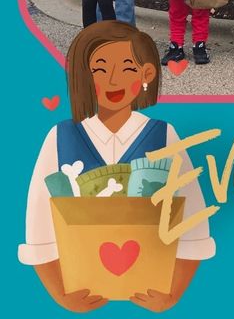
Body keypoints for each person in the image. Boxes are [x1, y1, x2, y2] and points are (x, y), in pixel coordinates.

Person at [19, 21, 215, 313]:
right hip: (79, 282)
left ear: (146, 74)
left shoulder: (163, 135)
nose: (113, 79)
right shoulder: (61, 138)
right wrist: (59, 292)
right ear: (82, 76)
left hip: (151, 281)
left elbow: (193, 218)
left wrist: (173, 293)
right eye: (99, 69)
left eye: (127, 68)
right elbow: (38, 218)